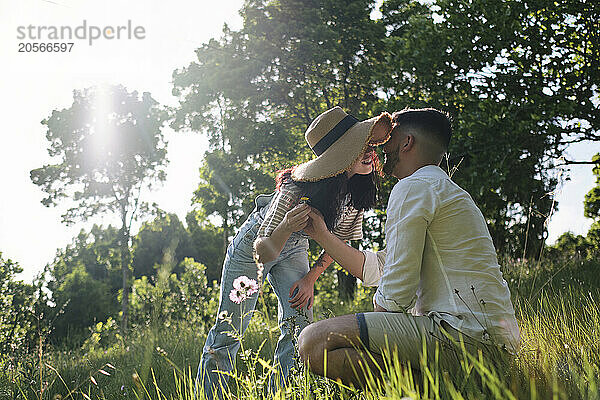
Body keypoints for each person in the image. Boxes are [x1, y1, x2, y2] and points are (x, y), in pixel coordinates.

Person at [297, 108, 521, 387]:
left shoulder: (413, 187)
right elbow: (382, 268)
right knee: (337, 336)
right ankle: (457, 388)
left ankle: (436, 391)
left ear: (407, 143)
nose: (380, 149)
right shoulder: (443, 189)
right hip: (494, 345)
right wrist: (322, 235)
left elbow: (397, 288)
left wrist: (373, 334)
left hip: (464, 338)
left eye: (389, 139)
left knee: (313, 342)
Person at [197, 106, 393, 398]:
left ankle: (284, 393)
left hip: (296, 247)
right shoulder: (296, 188)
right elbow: (262, 252)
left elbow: (341, 244)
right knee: (231, 326)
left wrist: (311, 277)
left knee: (299, 324)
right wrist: (288, 225)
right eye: (359, 145)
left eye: (367, 144)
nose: (368, 152)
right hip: (257, 244)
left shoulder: (356, 195)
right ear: (338, 155)